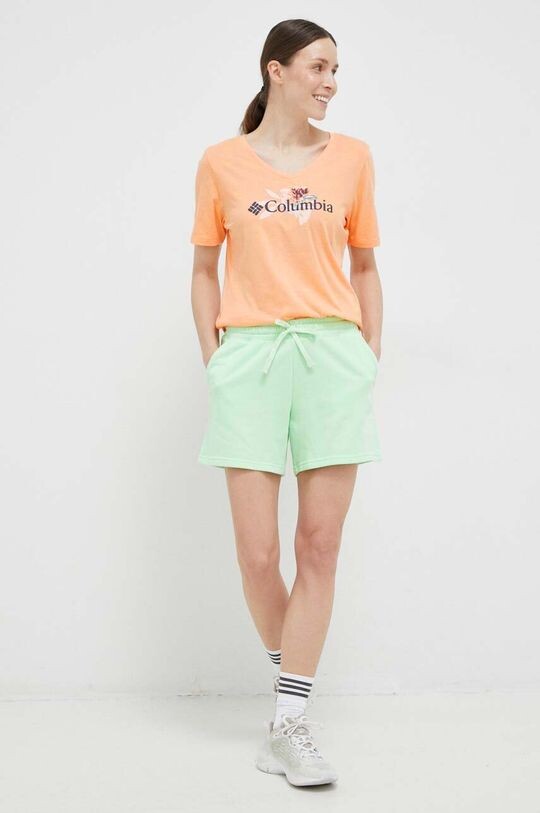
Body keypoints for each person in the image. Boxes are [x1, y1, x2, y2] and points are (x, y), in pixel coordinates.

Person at [190, 18, 383, 787]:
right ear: (277, 70)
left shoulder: (354, 159)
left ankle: (289, 723)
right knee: (258, 555)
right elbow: (204, 269)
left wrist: (367, 355)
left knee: (319, 546)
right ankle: (290, 687)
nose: (331, 82)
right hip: (251, 357)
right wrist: (218, 362)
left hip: (331, 356)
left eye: (336, 70)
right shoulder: (221, 163)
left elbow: (364, 265)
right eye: (318, 66)